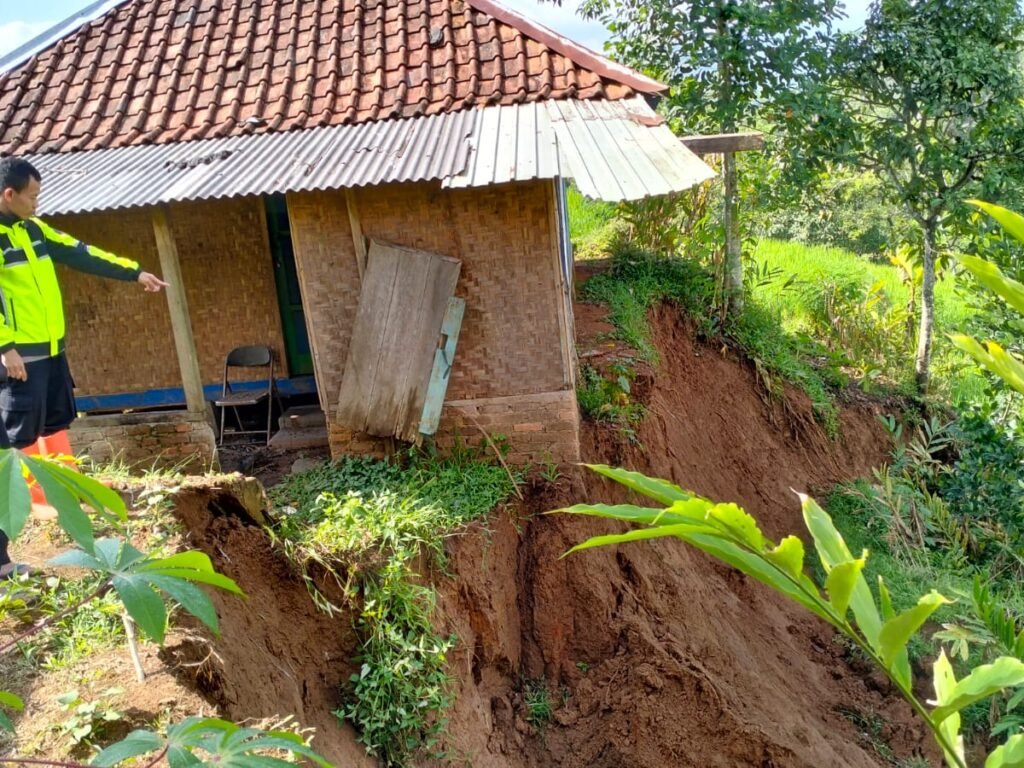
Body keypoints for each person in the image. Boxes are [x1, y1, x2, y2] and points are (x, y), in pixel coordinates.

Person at [0, 157, 168, 580]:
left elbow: (81, 252)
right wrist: (5, 347)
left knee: (51, 430)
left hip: (51, 354)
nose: (38, 203)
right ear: (9, 195)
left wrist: (135, 273)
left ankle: (61, 506)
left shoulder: (33, 230)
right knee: (8, 451)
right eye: (33, 196)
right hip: (17, 361)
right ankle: (5, 550)